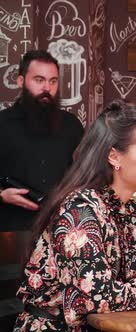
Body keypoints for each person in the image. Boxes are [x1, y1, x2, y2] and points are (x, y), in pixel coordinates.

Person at [13, 100, 136, 332]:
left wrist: (135, 287)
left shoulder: (126, 208)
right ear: (114, 157)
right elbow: (96, 296)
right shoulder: (79, 210)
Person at [0, 50, 84, 330]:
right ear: (21, 81)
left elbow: (85, 176)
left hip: (60, 239)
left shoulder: (72, 126)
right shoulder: (1, 124)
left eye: (53, 81)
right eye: (39, 80)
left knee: (57, 318)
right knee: (8, 316)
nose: (46, 88)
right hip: (8, 238)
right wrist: (2, 194)